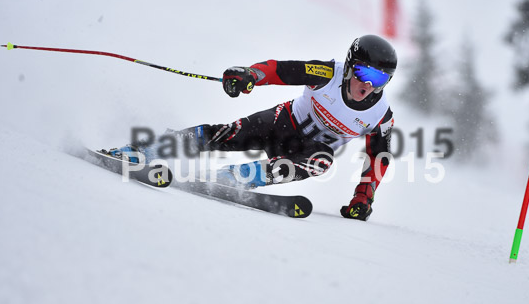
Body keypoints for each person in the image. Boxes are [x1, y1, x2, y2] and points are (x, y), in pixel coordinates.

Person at [103, 34, 397, 221]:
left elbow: (379, 159)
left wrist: (362, 198)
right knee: (224, 135)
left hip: (304, 152)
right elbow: (279, 70)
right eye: (363, 71)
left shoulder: (381, 116)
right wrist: (251, 75)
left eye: (380, 79)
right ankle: (139, 150)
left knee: (322, 160)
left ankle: (234, 178)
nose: (368, 84)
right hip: (281, 123)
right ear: (349, 66)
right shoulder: (327, 72)